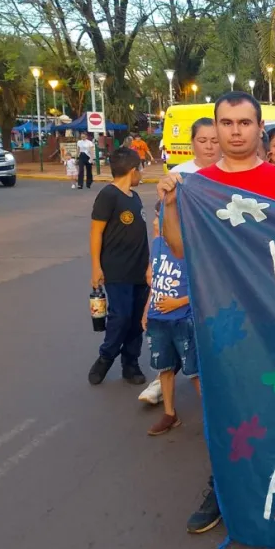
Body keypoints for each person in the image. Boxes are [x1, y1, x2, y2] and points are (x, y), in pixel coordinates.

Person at [156, 91, 275, 535]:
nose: (235, 131)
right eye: (226, 122)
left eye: (244, 122)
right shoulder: (195, 185)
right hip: (222, 316)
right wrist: (167, 206)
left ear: (259, 128)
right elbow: (181, 250)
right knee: (227, 402)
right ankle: (223, 486)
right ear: (214, 129)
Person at [139, 117, 220, 406]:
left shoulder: (227, 174)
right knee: (185, 336)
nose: (209, 146)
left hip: (220, 264)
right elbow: (162, 218)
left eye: (214, 140)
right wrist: (156, 262)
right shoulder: (180, 175)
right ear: (192, 143)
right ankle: (168, 389)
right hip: (185, 260)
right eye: (203, 140)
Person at [88, 148, 150, 386]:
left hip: (139, 271)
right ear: (133, 170)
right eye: (140, 168)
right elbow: (96, 232)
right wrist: (96, 267)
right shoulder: (108, 195)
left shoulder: (134, 197)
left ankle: (130, 364)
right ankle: (106, 357)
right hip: (116, 270)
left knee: (136, 321)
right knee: (120, 317)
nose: (141, 173)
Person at [142, 203, 200, 436]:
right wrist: (147, 309)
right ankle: (169, 413)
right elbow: (155, 282)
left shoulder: (190, 250)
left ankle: (214, 416)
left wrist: (178, 303)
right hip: (158, 319)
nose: (156, 222)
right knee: (164, 368)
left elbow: (202, 287)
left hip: (182, 319)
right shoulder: (156, 245)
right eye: (156, 217)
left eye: (161, 217)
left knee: (194, 371)